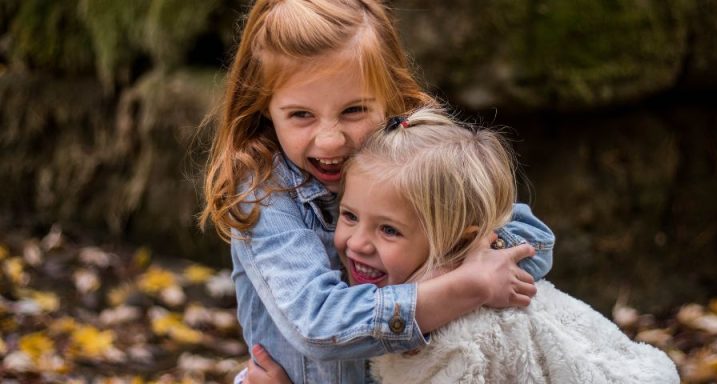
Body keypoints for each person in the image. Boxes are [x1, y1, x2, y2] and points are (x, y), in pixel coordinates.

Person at [199, 1, 554, 383]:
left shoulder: (412, 160)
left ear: (390, 95)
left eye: (354, 111)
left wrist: (438, 274)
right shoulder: (265, 192)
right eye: (301, 115)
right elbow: (319, 323)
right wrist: (461, 287)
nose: (331, 140)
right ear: (265, 107)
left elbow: (532, 241)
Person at [248, 106, 680, 383]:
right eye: (349, 215)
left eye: (389, 230)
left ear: (461, 241)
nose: (356, 243)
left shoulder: (469, 339)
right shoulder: (427, 295)